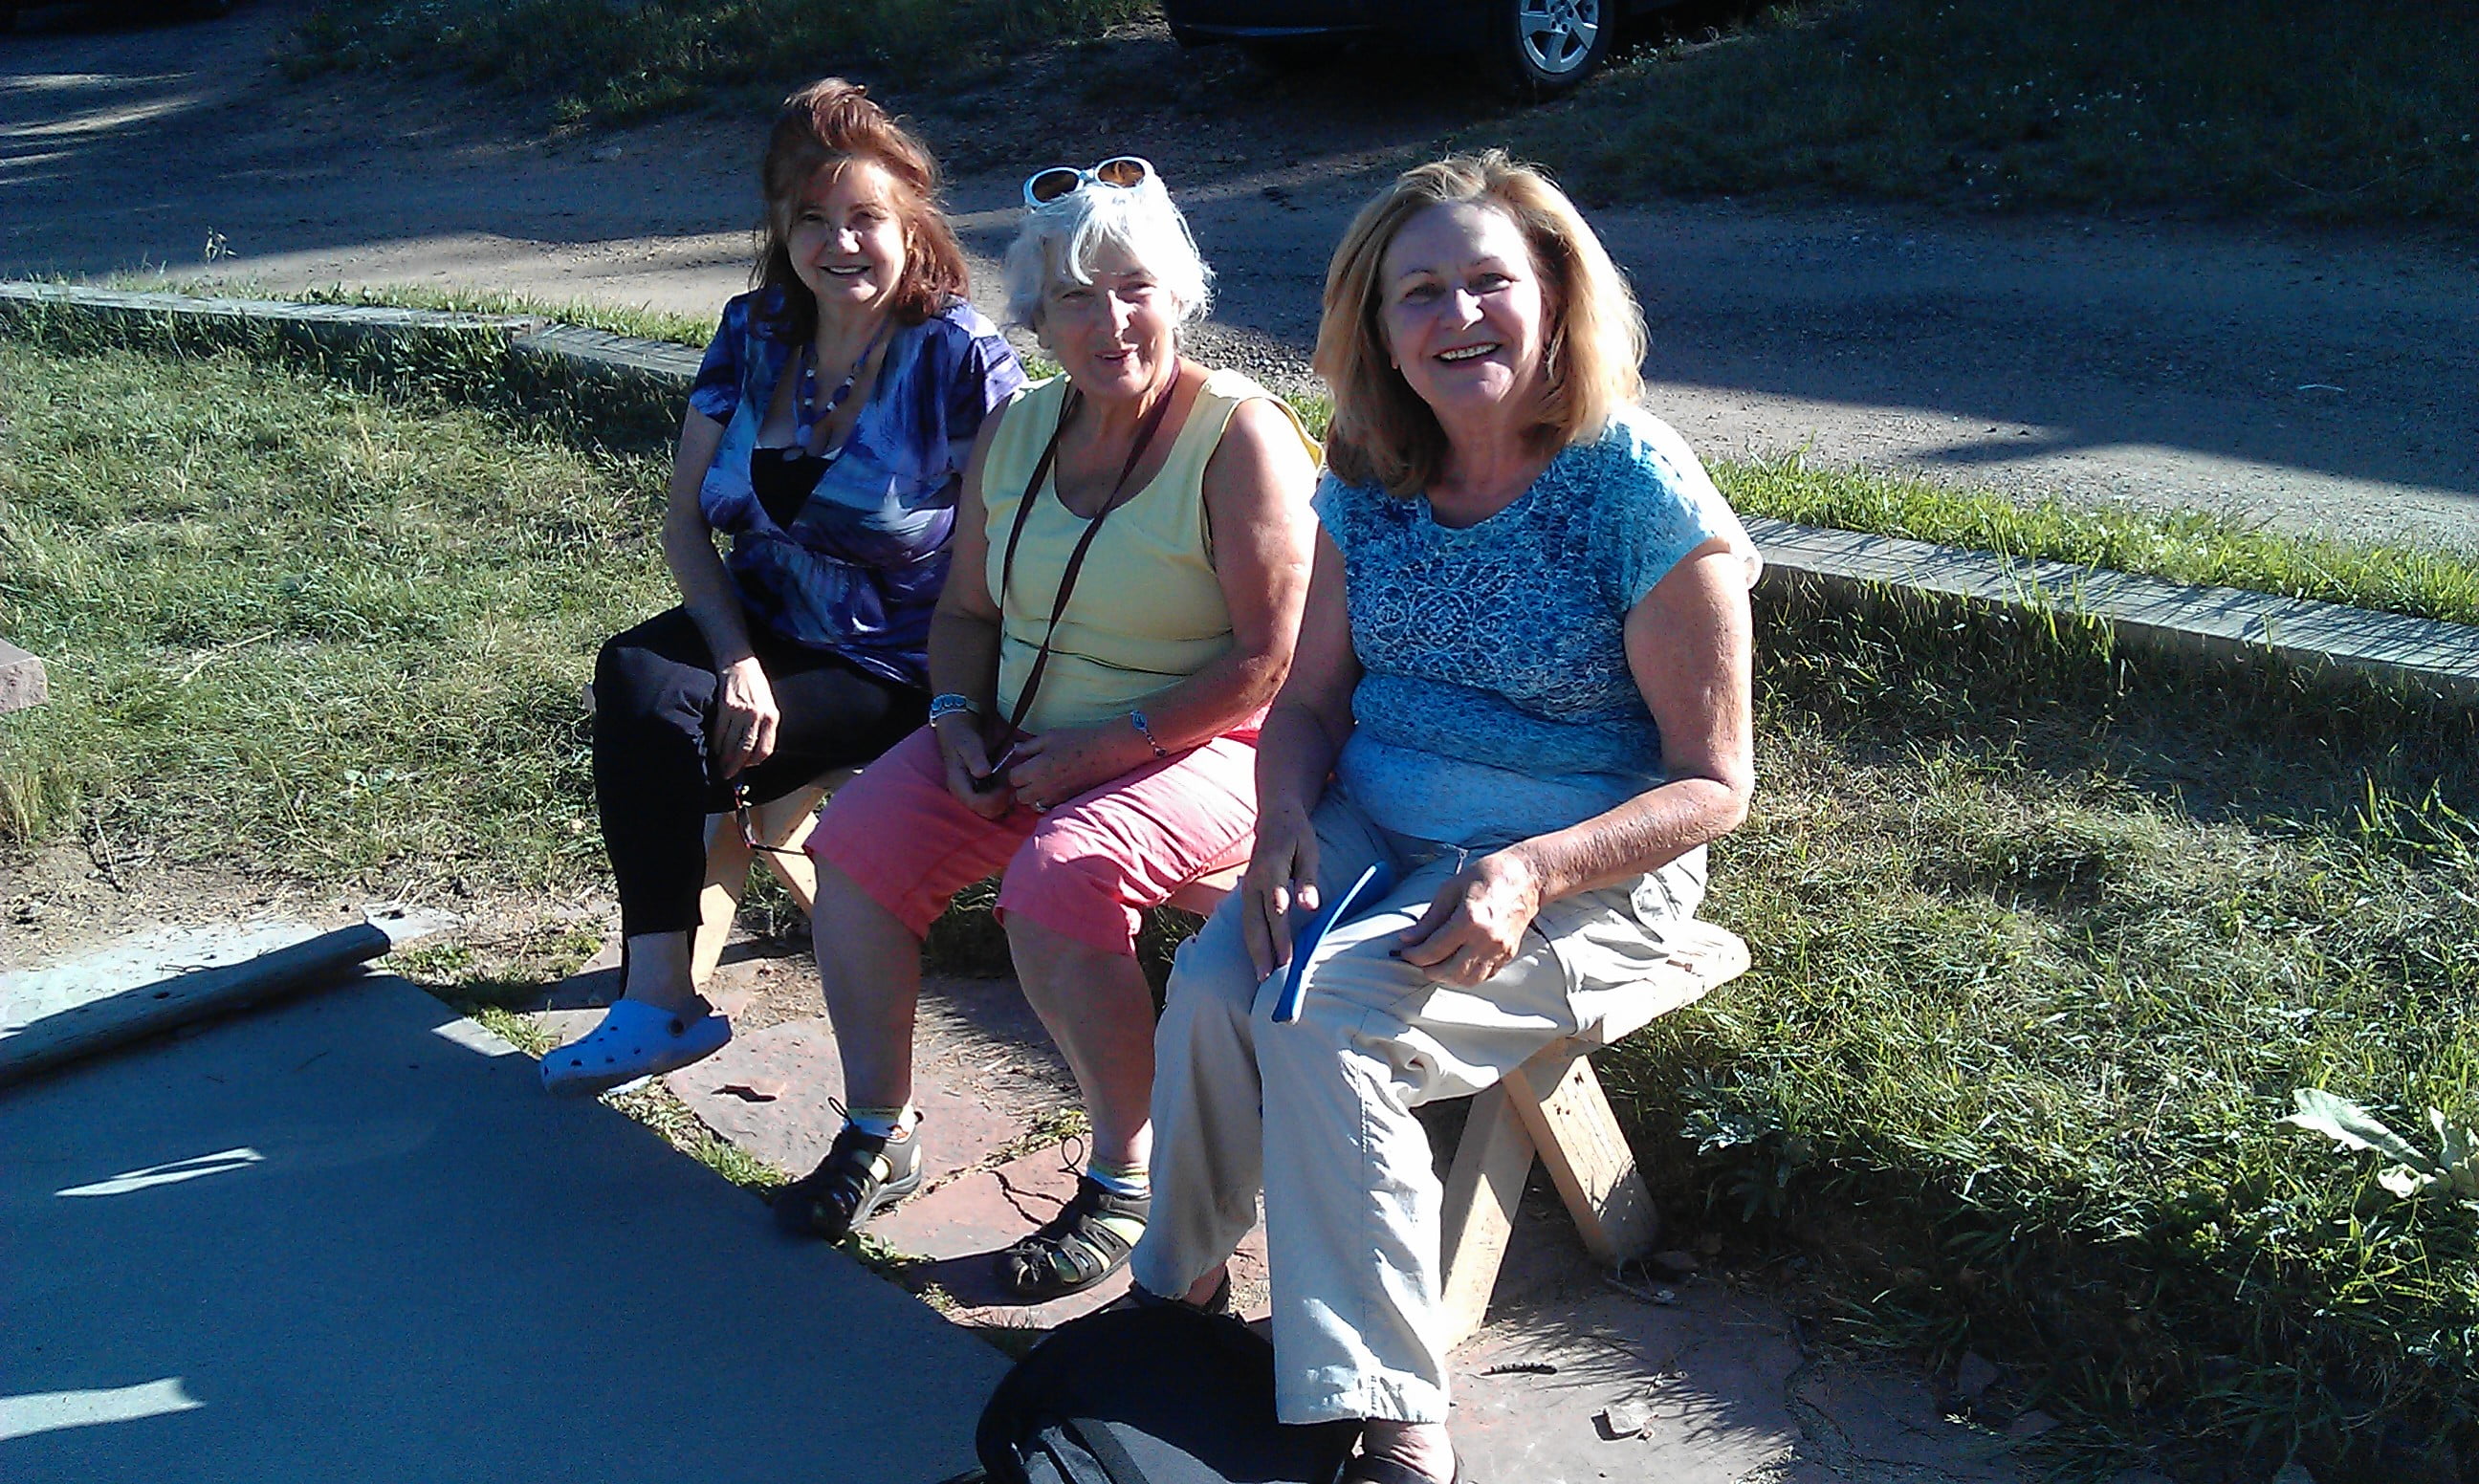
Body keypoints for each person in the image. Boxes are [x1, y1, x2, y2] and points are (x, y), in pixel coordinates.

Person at [1128, 151, 1761, 1484]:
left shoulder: (1633, 487)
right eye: (1420, 291)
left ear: (1555, 298)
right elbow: (1309, 700)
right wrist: (1281, 819)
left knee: (1327, 1019)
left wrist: (1531, 871)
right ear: (1376, 326)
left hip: (1581, 860)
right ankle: (1177, 1296)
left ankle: (1392, 1410)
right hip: (1378, 815)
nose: (1458, 315)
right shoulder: (1372, 468)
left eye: (1489, 281)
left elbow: (1714, 781)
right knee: (1218, 981)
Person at [780, 157, 1322, 1302]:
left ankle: (1127, 1176)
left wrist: (1105, 749)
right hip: (1025, 734)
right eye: (1076, 296)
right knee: (857, 842)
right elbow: (967, 613)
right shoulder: (1018, 429)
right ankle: (880, 1126)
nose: (1110, 321)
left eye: (1134, 288)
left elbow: (1267, 661)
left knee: (1061, 879)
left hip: (1215, 744)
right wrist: (954, 720)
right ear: (1037, 313)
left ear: (1178, 295)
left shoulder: (1238, 436)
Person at [543, 79, 1025, 1096]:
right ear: (780, 226)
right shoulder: (755, 330)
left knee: (678, 739)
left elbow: (1009, 551)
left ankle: (720, 996)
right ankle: (660, 1003)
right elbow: (684, 521)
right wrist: (738, 659)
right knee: (639, 676)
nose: (839, 243)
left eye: (865, 218)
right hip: (764, 628)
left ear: (911, 224)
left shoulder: (961, 356)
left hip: (896, 660)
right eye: (812, 218)